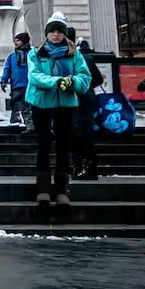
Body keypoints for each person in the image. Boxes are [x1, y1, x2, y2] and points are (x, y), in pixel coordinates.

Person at [26, 13, 92, 207]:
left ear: (64, 34)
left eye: (59, 31)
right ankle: (43, 189)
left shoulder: (75, 54)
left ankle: (62, 190)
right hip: (41, 104)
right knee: (43, 145)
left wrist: (72, 81)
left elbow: (84, 78)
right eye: (52, 31)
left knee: (63, 145)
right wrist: (56, 81)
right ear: (47, 33)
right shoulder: (36, 53)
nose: (55, 35)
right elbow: (35, 76)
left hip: (65, 104)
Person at [67, 28, 103, 181]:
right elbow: (98, 79)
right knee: (81, 134)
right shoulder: (85, 58)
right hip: (84, 100)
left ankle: (82, 166)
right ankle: (84, 166)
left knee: (78, 134)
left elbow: (97, 79)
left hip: (78, 101)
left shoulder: (80, 58)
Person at [2, 32, 34, 132]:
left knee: (28, 107)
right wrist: (3, 80)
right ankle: (19, 124)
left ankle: (31, 126)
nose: (15, 43)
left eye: (18, 40)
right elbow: (7, 69)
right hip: (16, 85)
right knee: (18, 106)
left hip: (29, 84)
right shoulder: (12, 57)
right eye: (15, 41)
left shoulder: (32, 54)